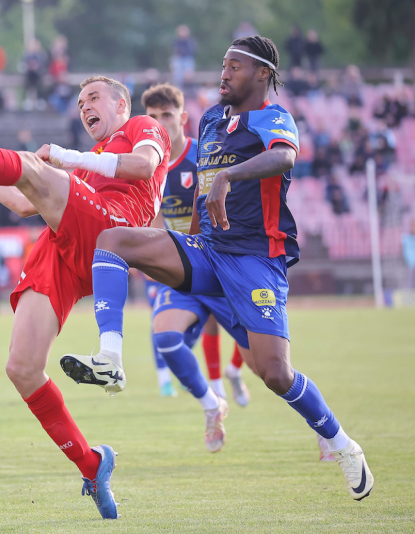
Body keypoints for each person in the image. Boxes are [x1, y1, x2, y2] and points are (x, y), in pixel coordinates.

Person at [67, 36, 373, 500]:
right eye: (223, 65)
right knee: (114, 241)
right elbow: (201, 192)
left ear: (263, 74)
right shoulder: (212, 118)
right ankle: (111, 359)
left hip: (255, 260)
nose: (224, 73)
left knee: (275, 373)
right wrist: (186, 240)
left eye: (234, 67)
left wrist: (231, 174)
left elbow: (285, 156)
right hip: (207, 250)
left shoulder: (272, 116)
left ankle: (341, 443)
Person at [0, 72, 171, 519]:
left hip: (111, 229)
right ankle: (91, 464)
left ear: (122, 105)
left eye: (93, 98)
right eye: (80, 103)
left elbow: (142, 167)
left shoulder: (143, 127)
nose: (85, 107)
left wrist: (62, 159)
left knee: (34, 168)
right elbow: (23, 202)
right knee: (21, 368)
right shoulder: (90, 162)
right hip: (64, 248)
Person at [138, 83, 250, 413]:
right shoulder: (146, 166)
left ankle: (235, 371)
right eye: (152, 117)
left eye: (167, 115)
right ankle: (213, 388)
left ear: (183, 118)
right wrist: (157, 255)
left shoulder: (203, 156)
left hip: (219, 253)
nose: (160, 123)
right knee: (170, 332)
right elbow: (154, 216)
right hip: (181, 258)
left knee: (257, 337)